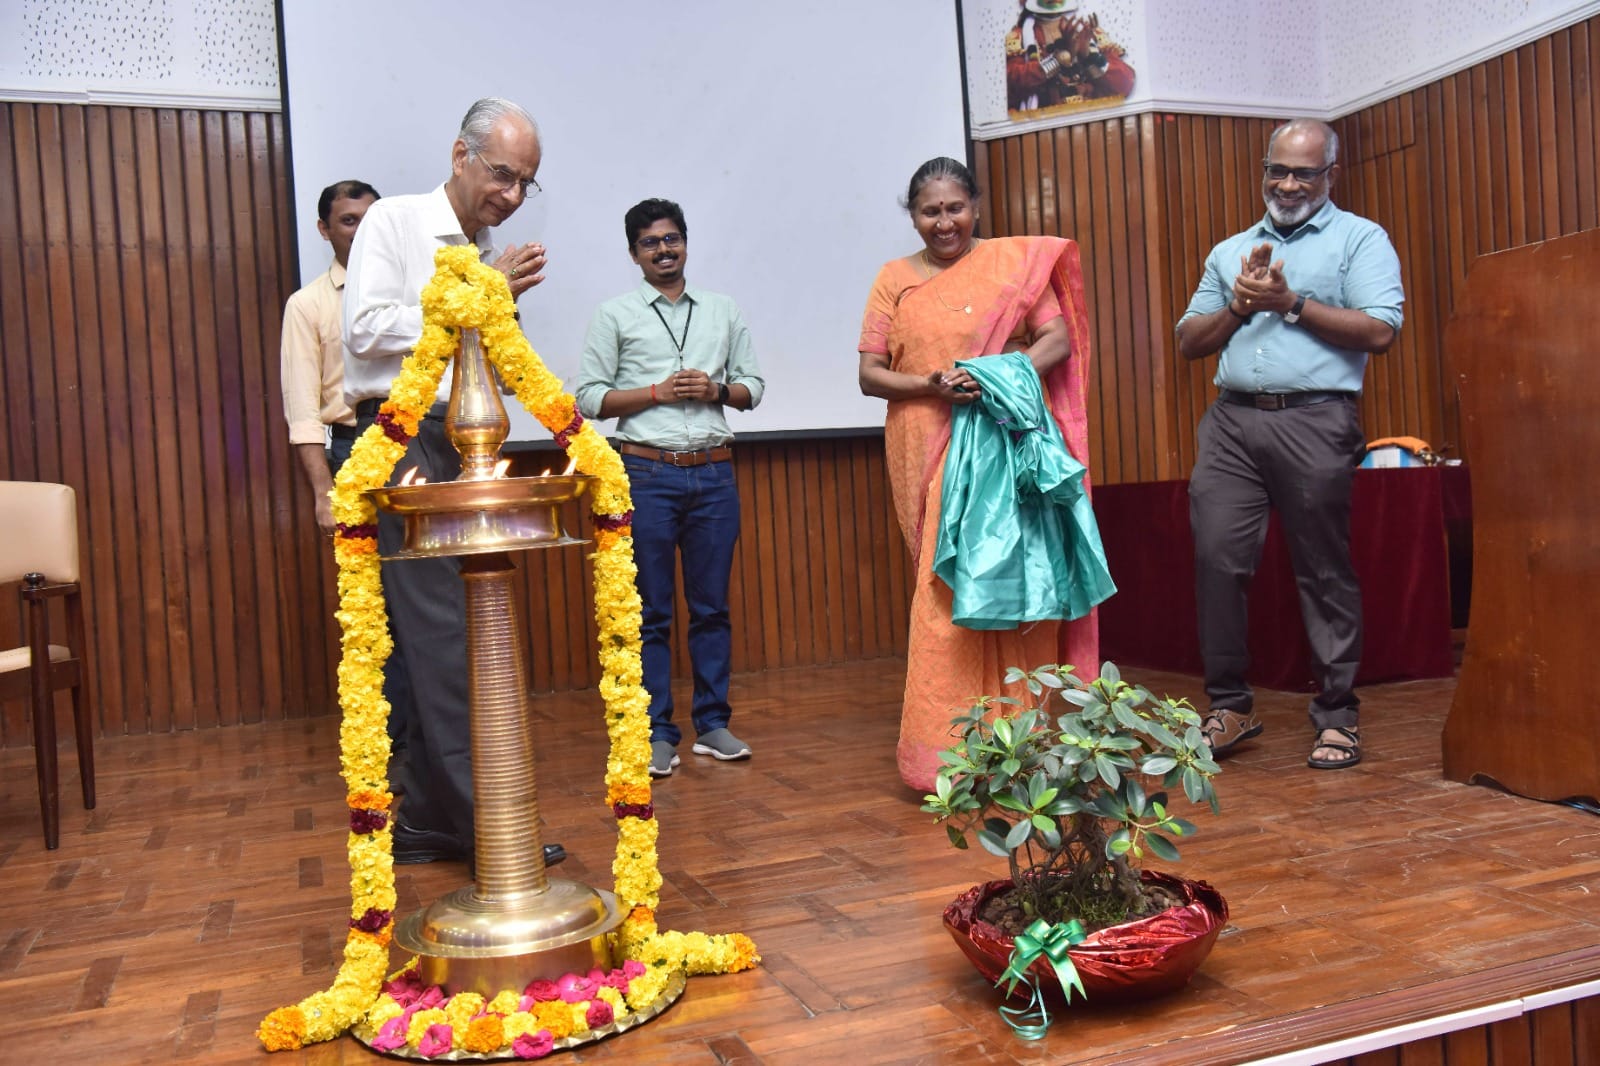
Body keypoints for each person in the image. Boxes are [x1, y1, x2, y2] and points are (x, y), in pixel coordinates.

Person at [342, 98, 563, 868]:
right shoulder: (397, 222)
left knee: (447, 636)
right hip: (404, 438)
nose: (509, 194)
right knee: (441, 636)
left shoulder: (488, 249)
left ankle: (433, 818)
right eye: (503, 174)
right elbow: (363, 329)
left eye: (525, 183)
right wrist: (476, 296)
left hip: (468, 445)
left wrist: (500, 310)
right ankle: (490, 823)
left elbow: (499, 358)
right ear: (460, 156)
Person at [857, 156, 1104, 793]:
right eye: (929, 211)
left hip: (1002, 440)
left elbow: (1055, 339)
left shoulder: (1013, 266)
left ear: (976, 205)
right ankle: (951, 753)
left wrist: (1000, 372)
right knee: (944, 592)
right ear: (912, 215)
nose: (944, 222)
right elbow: (870, 374)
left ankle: (1029, 743)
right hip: (927, 439)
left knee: (1015, 579)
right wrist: (931, 385)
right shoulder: (893, 278)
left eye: (955, 207)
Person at [1175, 118, 1404, 771]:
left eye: (1305, 171)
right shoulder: (1231, 251)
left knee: (1322, 567)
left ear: (1332, 173)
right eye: (1278, 169)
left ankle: (1337, 715)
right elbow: (1190, 340)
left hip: (1316, 418)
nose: (1288, 183)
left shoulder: (1360, 239)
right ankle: (1229, 707)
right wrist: (1241, 308)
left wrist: (1291, 302)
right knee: (1217, 557)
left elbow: (1381, 330)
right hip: (1231, 422)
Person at [575, 198, 765, 779]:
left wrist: (715, 391)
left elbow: (754, 387)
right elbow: (587, 398)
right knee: (650, 611)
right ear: (634, 253)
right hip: (646, 473)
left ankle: (712, 725)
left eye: (672, 239)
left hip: (712, 471)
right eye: (651, 243)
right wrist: (656, 393)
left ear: (686, 242)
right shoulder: (614, 315)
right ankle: (657, 732)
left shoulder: (723, 310)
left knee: (711, 607)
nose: (664, 250)